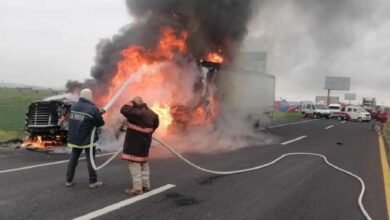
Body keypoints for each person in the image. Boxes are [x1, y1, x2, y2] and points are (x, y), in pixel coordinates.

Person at [65, 88, 105, 188]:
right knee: (90, 160)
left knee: (73, 159)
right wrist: (99, 113)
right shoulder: (92, 108)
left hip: (75, 138)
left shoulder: (73, 106)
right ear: (90, 96)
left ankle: (68, 180)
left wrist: (96, 113)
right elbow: (100, 123)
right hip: (88, 139)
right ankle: (93, 182)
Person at [120, 96, 159, 195]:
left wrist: (132, 102)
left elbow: (123, 109)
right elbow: (155, 126)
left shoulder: (135, 112)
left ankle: (137, 188)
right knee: (144, 163)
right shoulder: (153, 114)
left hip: (134, 143)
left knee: (134, 163)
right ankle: (146, 185)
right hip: (146, 142)